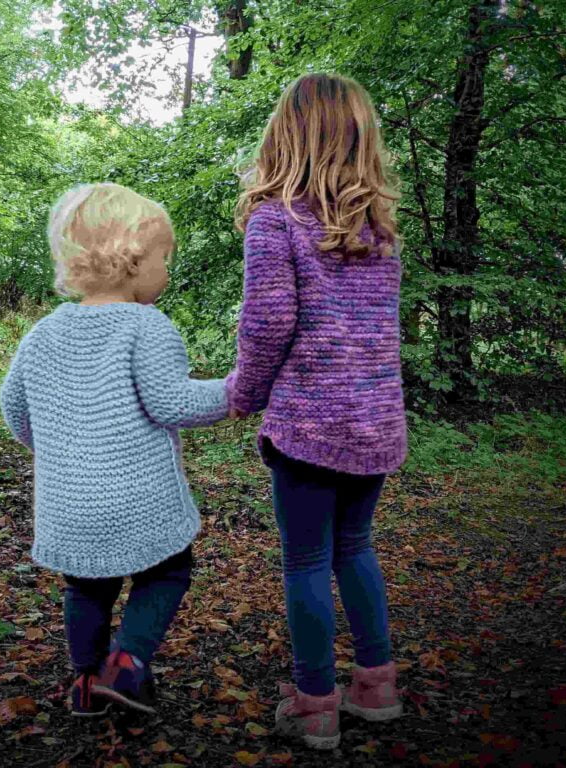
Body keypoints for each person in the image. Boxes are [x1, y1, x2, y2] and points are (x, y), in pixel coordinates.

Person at [0, 182, 230, 716]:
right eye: (163, 258)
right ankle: (127, 665)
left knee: (86, 588)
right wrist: (238, 391)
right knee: (168, 572)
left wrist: (60, 449)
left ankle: (85, 683)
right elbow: (174, 403)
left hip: (68, 506)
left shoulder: (42, 334)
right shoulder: (146, 326)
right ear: (130, 259)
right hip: (138, 501)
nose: (167, 271)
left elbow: (15, 407)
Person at [225, 73, 407, 750]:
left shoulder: (276, 219)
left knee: (305, 560)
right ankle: (377, 684)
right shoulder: (378, 230)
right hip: (376, 424)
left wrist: (245, 394)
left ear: (287, 134)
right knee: (355, 549)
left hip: (307, 426)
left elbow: (269, 322)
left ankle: (314, 702)